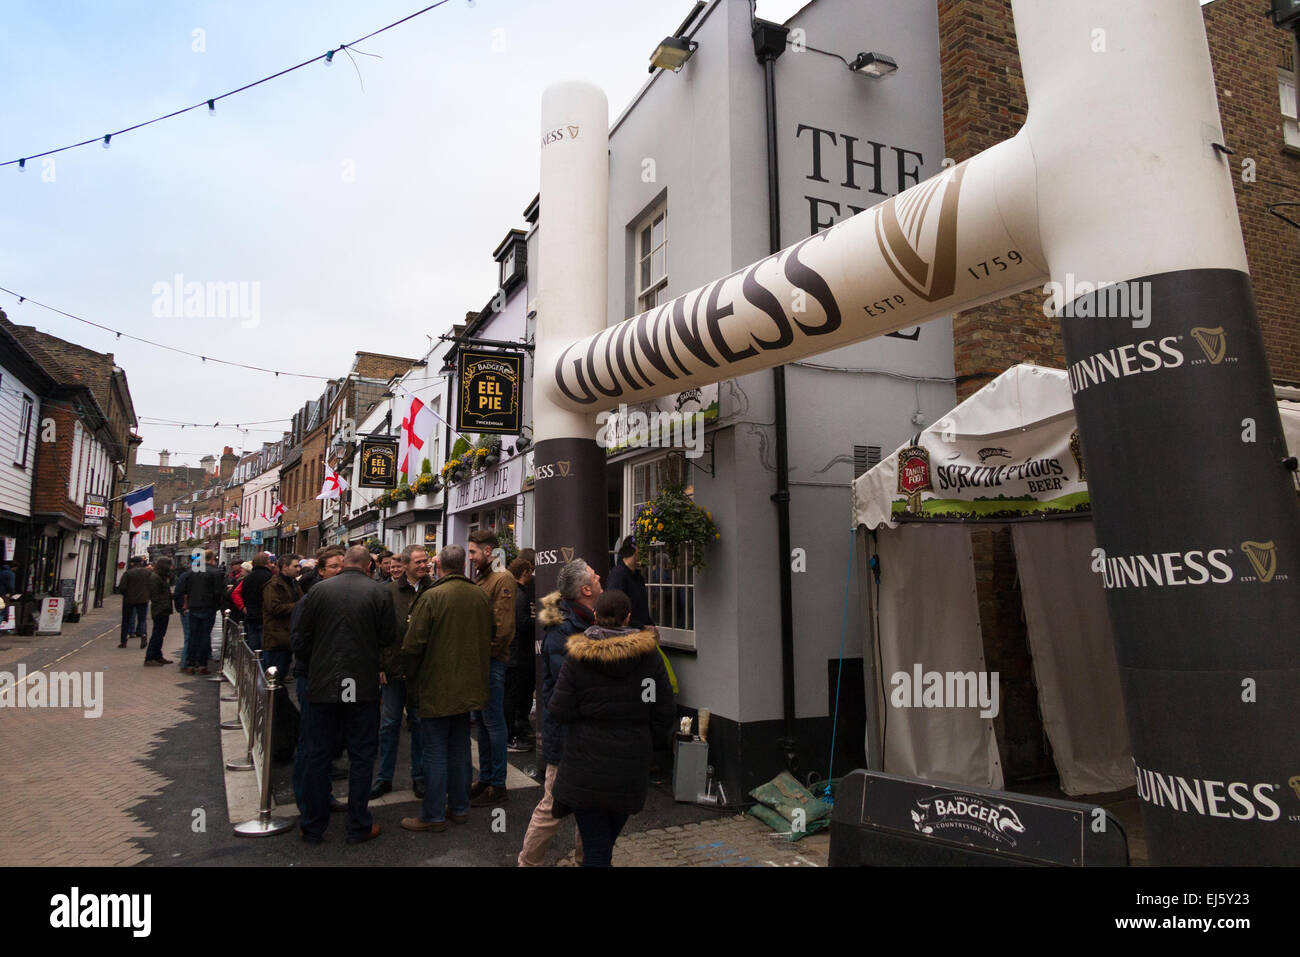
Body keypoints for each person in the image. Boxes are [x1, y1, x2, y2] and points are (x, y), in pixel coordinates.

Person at [549, 589, 674, 866]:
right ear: (628, 617)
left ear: (595, 615)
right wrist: (645, 738)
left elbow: (559, 708)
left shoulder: (579, 656)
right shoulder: (649, 657)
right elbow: (664, 710)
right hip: (630, 762)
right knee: (602, 845)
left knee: (596, 847)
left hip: (584, 762)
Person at [293, 545, 395, 845]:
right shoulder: (379, 593)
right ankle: (358, 825)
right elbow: (388, 637)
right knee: (361, 756)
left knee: (317, 754)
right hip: (360, 686)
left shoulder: (319, 592)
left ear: (346, 563)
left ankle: (312, 827)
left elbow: (300, 640)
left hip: (323, 685)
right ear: (368, 567)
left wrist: (320, 659)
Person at [399, 545, 492, 833]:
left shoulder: (431, 597)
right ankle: (460, 807)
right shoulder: (479, 595)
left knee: (436, 751)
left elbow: (413, 645)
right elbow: (492, 633)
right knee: (460, 749)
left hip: (437, 686)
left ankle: (433, 814)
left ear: (439, 565)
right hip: (469, 686)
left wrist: (409, 676)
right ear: (464, 564)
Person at [516, 558, 601, 866]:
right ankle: (528, 862)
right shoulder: (563, 631)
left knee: (590, 806)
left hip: (586, 733)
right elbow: (573, 687)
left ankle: (584, 860)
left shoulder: (590, 622)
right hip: (566, 735)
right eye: (595, 574)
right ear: (586, 589)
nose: (600, 576)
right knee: (554, 805)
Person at [372, 545, 432, 799]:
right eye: (418, 562)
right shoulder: (387, 592)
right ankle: (384, 777)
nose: (423, 565)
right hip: (394, 669)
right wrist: (381, 665)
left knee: (419, 724)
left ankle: (419, 777)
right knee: (389, 725)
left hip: (422, 671)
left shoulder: (434, 589)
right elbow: (378, 632)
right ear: (405, 565)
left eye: (425, 561)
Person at [291, 547, 345, 815]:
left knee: (328, 741)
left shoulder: (342, 598)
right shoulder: (310, 601)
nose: (339, 570)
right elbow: (299, 643)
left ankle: (323, 794)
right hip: (312, 677)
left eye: (342, 566)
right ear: (321, 571)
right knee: (311, 741)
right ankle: (307, 802)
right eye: (333, 566)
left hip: (335, 678)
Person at [466, 529, 516, 807]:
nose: (470, 557)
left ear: (488, 551)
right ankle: (486, 778)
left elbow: (502, 627)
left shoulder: (503, 579)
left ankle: (498, 785)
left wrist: (485, 656)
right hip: (479, 661)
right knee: (484, 725)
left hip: (491, 662)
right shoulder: (485, 577)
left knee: (494, 723)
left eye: (473, 552)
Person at [505, 557, 536, 752]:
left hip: (518, 652)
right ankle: (512, 735)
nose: (532, 575)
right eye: (530, 571)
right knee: (515, 697)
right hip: (518, 653)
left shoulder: (518, 593)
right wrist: (540, 621)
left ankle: (515, 731)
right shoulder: (519, 595)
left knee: (516, 696)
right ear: (524, 572)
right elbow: (522, 623)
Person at [182, 551, 227, 674]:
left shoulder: (193, 571)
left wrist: (187, 604)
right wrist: (217, 606)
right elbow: (218, 591)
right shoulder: (215, 572)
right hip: (208, 606)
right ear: (212, 558)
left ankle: (190, 664)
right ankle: (202, 664)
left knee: (193, 635)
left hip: (194, 606)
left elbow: (186, 590)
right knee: (205, 635)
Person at [261, 553, 302, 679]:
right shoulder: (273, 585)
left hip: (288, 636)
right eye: (295, 566)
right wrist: (297, 606)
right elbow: (274, 608)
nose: (298, 569)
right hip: (276, 638)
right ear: (285, 567)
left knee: (281, 673)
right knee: (273, 676)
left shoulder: (294, 583)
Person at [143, 557, 175, 666]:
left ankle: (157, 655)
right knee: (157, 634)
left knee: (160, 634)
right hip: (160, 610)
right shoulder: (155, 578)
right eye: (169, 565)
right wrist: (165, 601)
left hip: (164, 609)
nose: (171, 567)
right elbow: (155, 596)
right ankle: (149, 658)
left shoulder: (161, 577)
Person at [240, 552, 274, 651]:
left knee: (253, 645)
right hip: (264, 616)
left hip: (251, 615)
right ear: (266, 562)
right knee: (265, 646)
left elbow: (244, 595)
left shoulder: (247, 578)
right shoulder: (270, 577)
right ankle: (262, 665)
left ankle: (253, 664)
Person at [117, 556, 152, 649]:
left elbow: (122, 588)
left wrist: (125, 593)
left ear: (132, 563)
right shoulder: (148, 573)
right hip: (143, 600)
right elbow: (152, 585)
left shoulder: (128, 573)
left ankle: (123, 642)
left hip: (129, 600)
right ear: (141, 563)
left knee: (126, 620)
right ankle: (143, 634)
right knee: (142, 620)